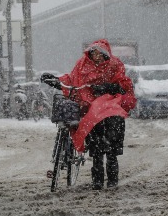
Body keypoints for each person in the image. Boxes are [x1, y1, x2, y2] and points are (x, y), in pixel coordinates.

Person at [41, 39, 137, 190]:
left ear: (106, 54)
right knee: (97, 150)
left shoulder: (115, 65)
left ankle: (112, 180)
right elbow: (72, 79)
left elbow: (124, 85)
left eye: (100, 53)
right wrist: (56, 80)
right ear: (90, 53)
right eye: (94, 52)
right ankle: (97, 181)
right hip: (90, 109)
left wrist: (107, 87)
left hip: (110, 108)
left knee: (111, 150)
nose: (97, 56)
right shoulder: (82, 64)